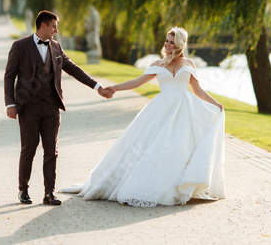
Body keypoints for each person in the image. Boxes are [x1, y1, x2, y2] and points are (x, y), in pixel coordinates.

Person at [60, 27, 226, 206]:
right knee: (157, 145)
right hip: (162, 109)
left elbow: (197, 89)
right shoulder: (158, 64)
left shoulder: (189, 64)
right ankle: (156, 186)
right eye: (167, 41)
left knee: (180, 146)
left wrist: (215, 104)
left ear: (180, 45)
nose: (168, 44)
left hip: (184, 110)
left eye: (172, 42)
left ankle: (180, 186)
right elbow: (137, 82)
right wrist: (114, 88)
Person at [4, 10, 113, 206]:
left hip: (52, 107)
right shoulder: (20, 46)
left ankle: (49, 193)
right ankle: (23, 190)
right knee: (29, 148)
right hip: (28, 108)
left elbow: (74, 69)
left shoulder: (56, 47)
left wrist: (97, 87)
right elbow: (9, 76)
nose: (56, 30)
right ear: (43, 25)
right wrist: (10, 104)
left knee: (51, 150)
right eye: (54, 26)